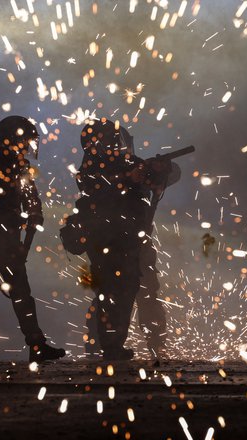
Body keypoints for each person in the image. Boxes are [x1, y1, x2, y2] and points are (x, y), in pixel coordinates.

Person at [0, 115, 66, 364]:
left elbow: (29, 193)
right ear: (12, 139)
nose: (27, 146)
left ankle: (37, 345)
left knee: (21, 295)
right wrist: (8, 212)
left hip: (7, 242)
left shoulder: (21, 165)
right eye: (25, 140)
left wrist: (35, 211)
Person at [81, 124, 181, 359]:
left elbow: (169, 173)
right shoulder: (93, 168)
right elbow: (97, 187)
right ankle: (100, 346)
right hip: (106, 241)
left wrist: (162, 169)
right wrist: (128, 177)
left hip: (137, 241)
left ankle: (156, 345)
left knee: (146, 292)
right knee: (108, 294)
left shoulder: (133, 164)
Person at [74, 118, 149, 360]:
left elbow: (150, 176)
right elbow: (100, 192)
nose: (117, 144)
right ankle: (108, 345)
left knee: (128, 288)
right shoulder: (90, 167)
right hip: (102, 237)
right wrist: (129, 179)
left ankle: (115, 344)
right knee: (109, 289)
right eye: (112, 140)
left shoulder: (127, 162)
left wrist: (156, 172)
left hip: (128, 237)